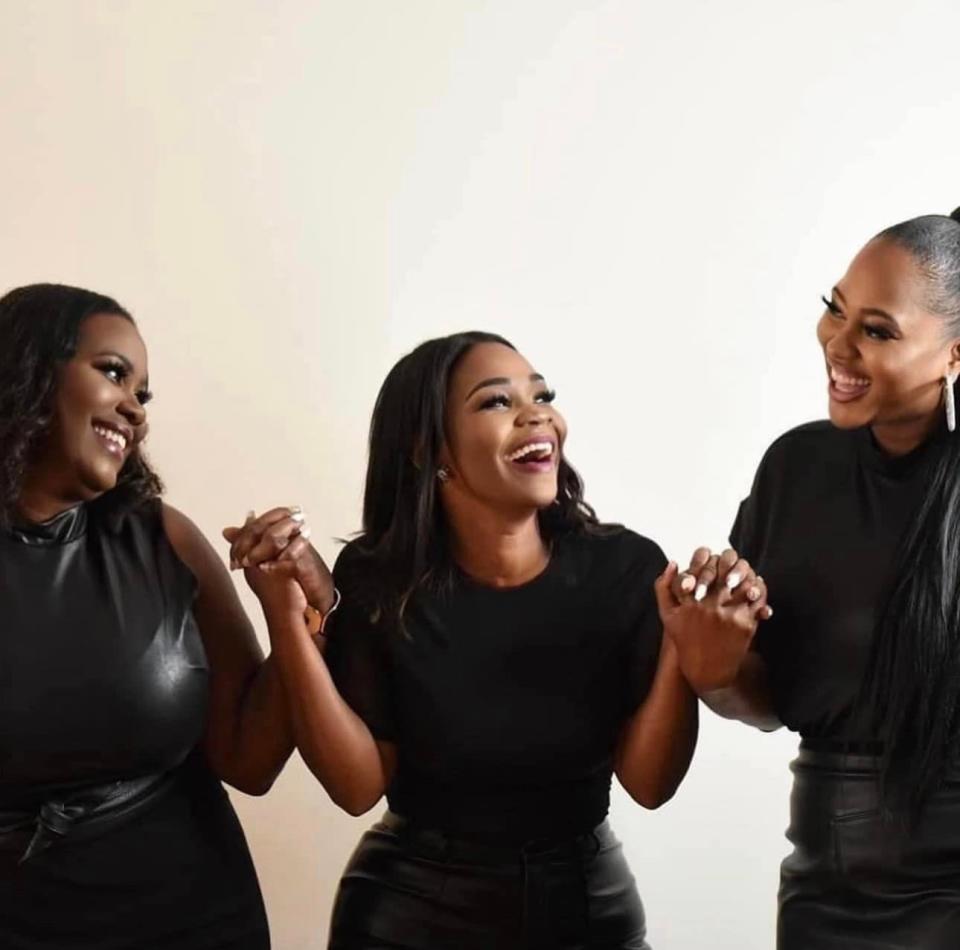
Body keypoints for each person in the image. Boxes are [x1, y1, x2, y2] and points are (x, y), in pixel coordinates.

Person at [226, 330, 770, 949]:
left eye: (541, 396)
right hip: (410, 917)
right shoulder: (378, 581)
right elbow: (356, 788)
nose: (536, 413)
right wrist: (287, 617)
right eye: (496, 402)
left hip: (586, 913)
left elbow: (650, 784)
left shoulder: (625, 569)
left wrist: (680, 645)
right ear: (429, 449)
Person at [0, 283, 322, 949]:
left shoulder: (164, 539)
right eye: (113, 373)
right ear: (27, 368)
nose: (134, 410)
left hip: (189, 916)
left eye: (142, 395)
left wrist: (292, 618)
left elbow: (250, 762)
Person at [677, 208, 960, 949]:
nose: (839, 344)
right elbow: (773, 702)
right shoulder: (796, 469)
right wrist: (718, 668)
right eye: (834, 309)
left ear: (955, 356)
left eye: (878, 330)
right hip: (824, 885)